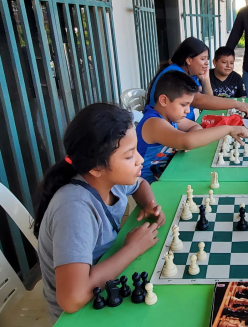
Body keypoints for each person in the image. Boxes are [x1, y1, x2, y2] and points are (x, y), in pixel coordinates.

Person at [34, 103, 165, 321]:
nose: (140, 160)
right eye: (129, 156)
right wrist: (132, 249)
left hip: (105, 281)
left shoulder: (112, 180)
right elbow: (72, 298)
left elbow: (140, 184)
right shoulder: (74, 208)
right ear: (96, 168)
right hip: (79, 314)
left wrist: (149, 202)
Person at [138, 71, 248, 183]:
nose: (188, 110)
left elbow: (194, 126)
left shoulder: (169, 117)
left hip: (169, 173)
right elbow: (187, 141)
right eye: (183, 105)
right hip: (147, 185)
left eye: (189, 104)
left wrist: (190, 137)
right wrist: (229, 129)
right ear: (164, 100)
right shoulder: (153, 123)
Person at [147, 39, 248, 120]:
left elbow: (208, 103)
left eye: (207, 59)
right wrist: (237, 104)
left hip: (184, 126)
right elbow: (199, 100)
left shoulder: (190, 74)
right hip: (169, 131)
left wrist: (205, 79)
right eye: (202, 59)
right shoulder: (175, 75)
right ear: (189, 60)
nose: (206, 63)